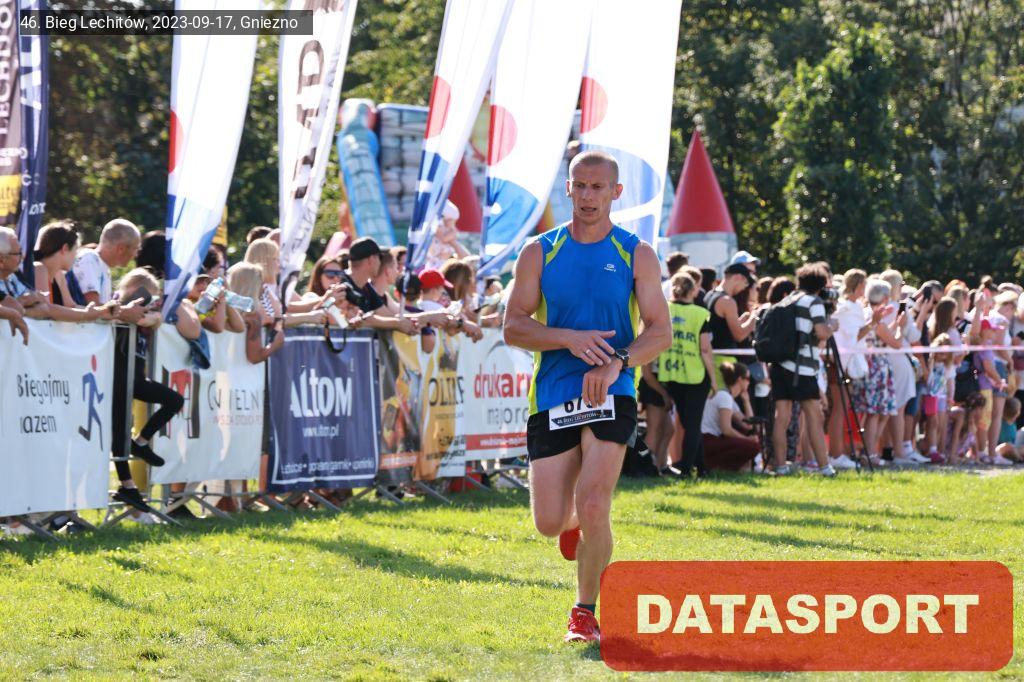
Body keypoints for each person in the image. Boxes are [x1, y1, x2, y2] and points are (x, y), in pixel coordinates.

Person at [503, 149, 671, 643]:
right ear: (568, 189)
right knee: (549, 522)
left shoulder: (636, 253)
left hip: (613, 390)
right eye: (579, 186)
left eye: (598, 187)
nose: (587, 196)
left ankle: (584, 612)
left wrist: (618, 361)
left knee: (596, 502)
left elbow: (659, 331)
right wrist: (568, 339)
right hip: (554, 391)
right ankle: (572, 520)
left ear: (616, 192)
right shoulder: (540, 251)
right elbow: (513, 326)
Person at [769, 262, 836, 476]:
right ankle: (824, 467)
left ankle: (780, 466)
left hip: (779, 364)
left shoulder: (788, 299)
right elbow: (822, 332)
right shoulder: (813, 301)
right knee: (814, 416)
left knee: (782, 417)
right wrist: (833, 326)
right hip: (803, 367)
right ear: (820, 285)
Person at [657, 271, 717, 477]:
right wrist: (714, 380)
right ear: (693, 291)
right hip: (696, 375)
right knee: (693, 424)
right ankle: (687, 469)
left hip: (672, 373)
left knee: (687, 422)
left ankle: (700, 466)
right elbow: (705, 350)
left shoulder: (665, 309)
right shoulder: (700, 314)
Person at [704, 262, 757, 387]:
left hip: (710, 358)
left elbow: (720, 326)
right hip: (724, 362)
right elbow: (739, 336)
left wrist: (741, 321)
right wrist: (753, 318)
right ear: (738, 277)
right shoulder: (727, 301)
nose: (744, 288)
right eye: (746, 283)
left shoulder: (709, 295)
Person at [700, 362, 760, 471]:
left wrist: (746, 401)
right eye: (747, 378)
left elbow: (748, 425)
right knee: (753, 447)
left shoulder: (728, 397)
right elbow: (726, 430)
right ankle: (714, 466)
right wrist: (747, 440)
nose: (749, 382)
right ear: (739, 380)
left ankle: (718, 466)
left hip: (709, 440)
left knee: (746, 436)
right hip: (706, 440)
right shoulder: (724, 397)